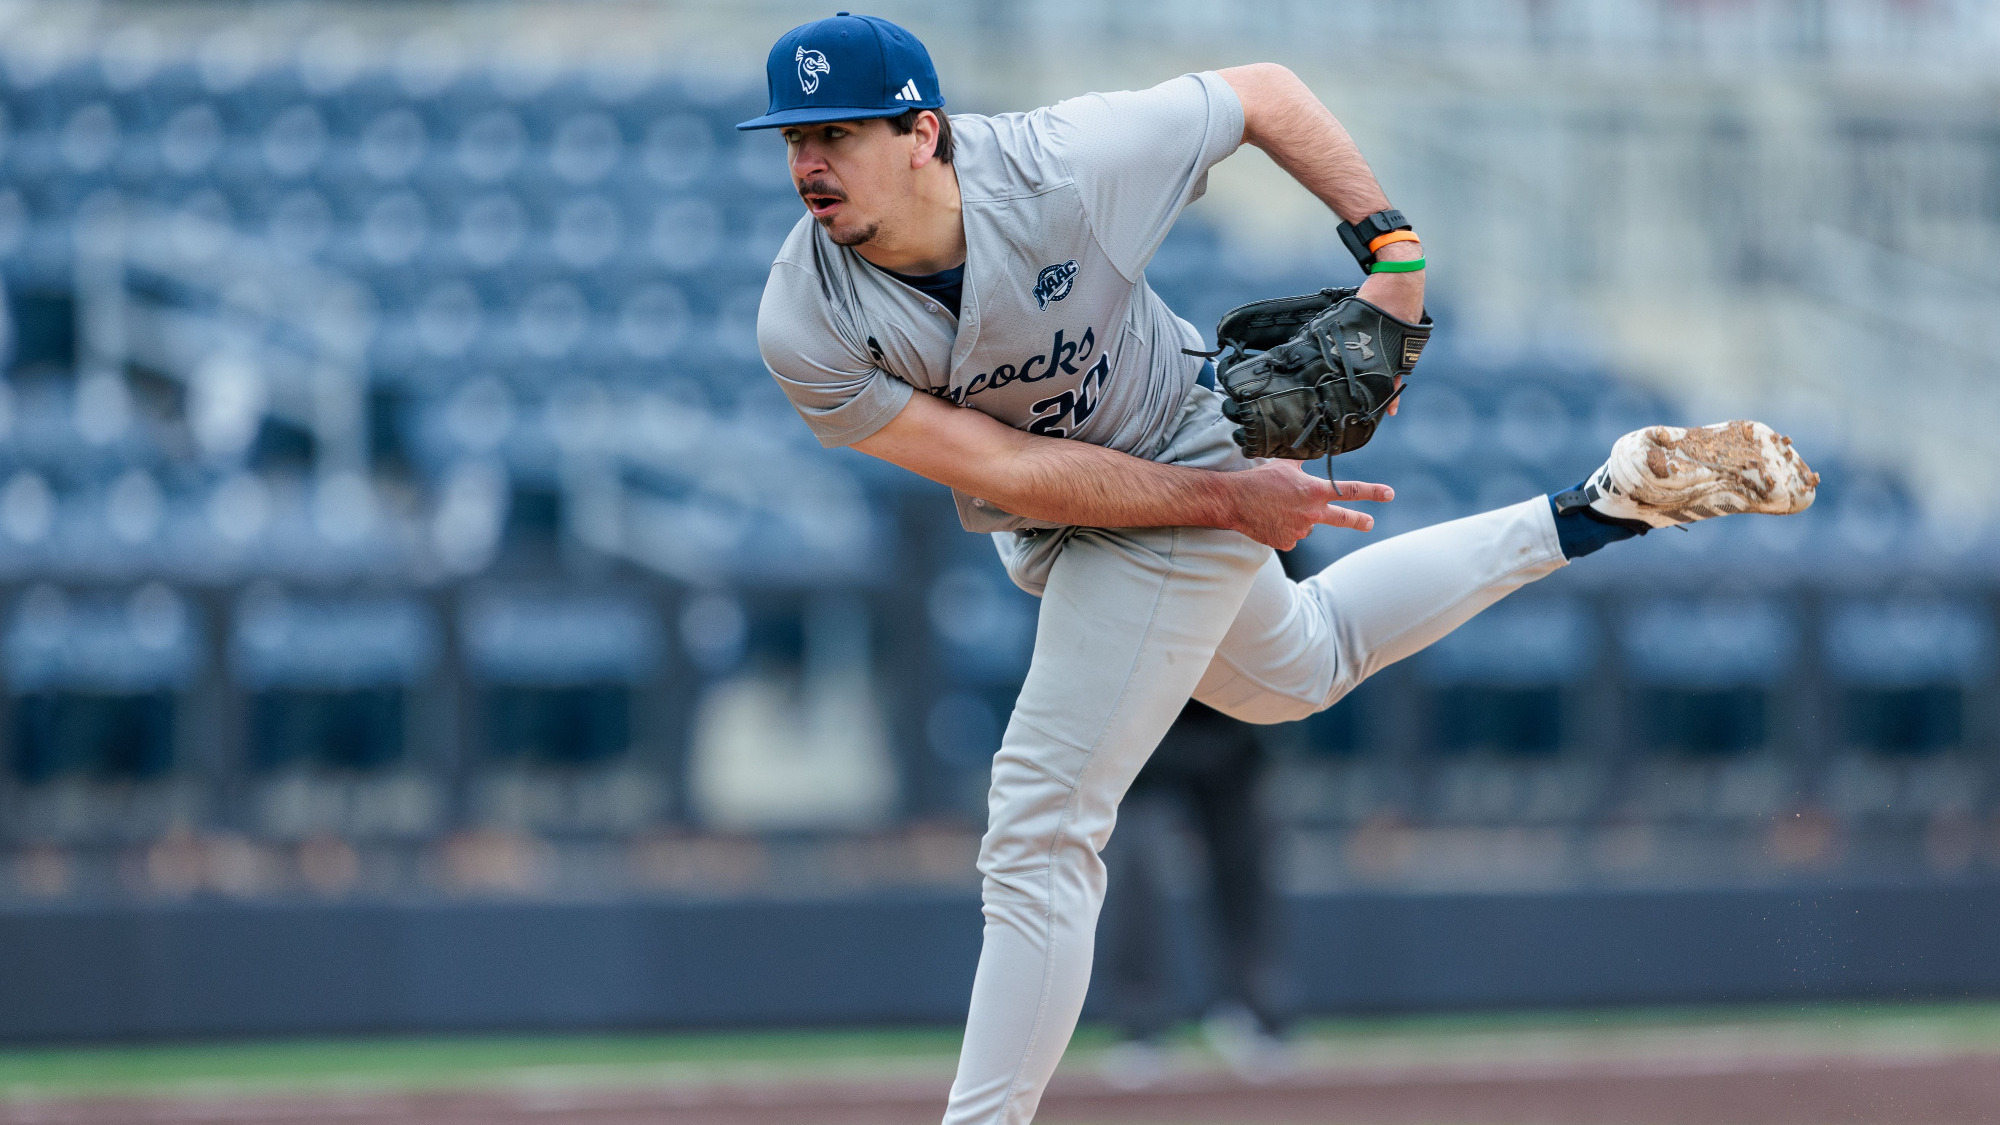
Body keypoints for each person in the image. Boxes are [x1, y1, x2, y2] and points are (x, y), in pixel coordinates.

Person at [742, 15, 1818, 1123]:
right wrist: (1233, 503)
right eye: (789, 138)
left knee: (1040, 820)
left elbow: (1259, 91)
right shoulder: (805, 317)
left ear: (921, 132)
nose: (805, 163)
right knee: (1300, 665)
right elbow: (1010, 467)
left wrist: (1390, 252)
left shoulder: (1062, 163)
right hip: (1079, 502)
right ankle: (1600, 506)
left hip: (1184, 440)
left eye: (834, 132)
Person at [1095, 699, 1293, 1088]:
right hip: (1143, 732)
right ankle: (1142, 1026)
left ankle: (1252, 1012)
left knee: (1245, 864)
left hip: (1229, 724)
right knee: (1138, 868)